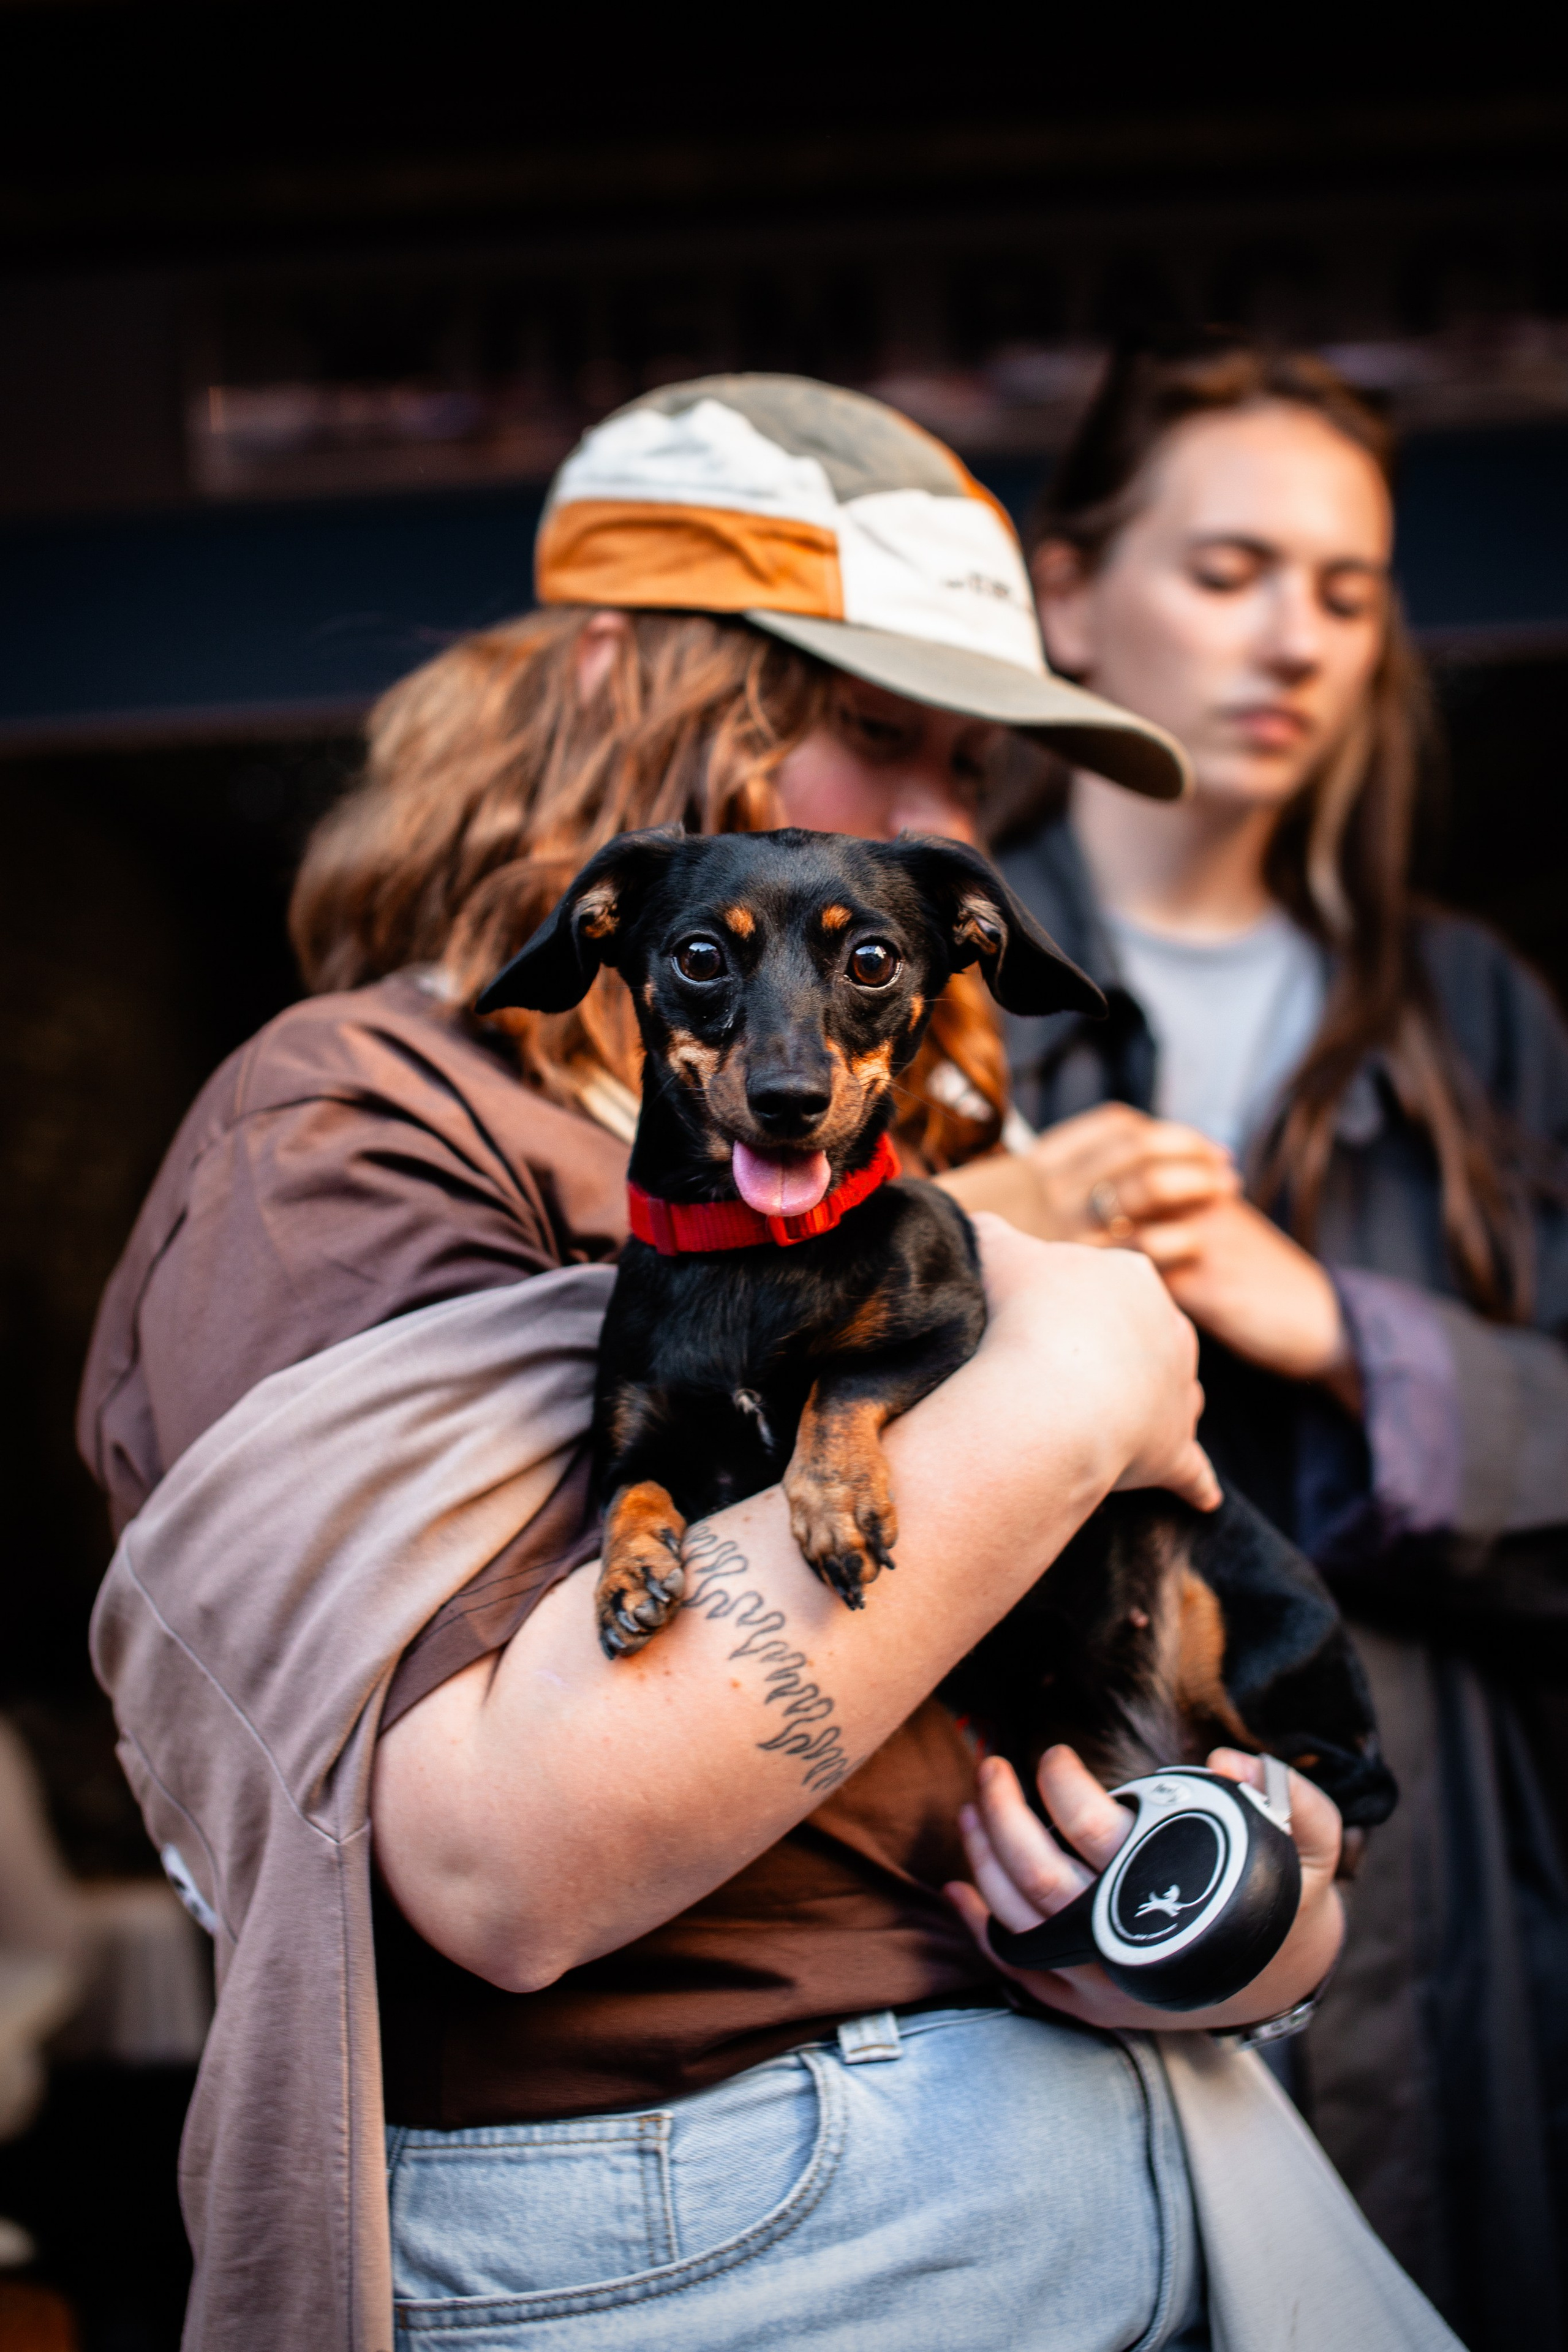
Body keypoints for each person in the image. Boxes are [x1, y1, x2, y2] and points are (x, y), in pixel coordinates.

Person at [80, 377, 1453, 2352]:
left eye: (969, 764)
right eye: (877, 728)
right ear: (621, 680)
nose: (933, 823)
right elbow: (496, 1859)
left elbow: (1038, 1765)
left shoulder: (873, 1200)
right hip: (730, 2237)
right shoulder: (352, 1129)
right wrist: (1067, 1388)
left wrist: (1233, 1911)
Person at [981, 333, 1568, 2352]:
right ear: (1069, 595)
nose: (1294, 640)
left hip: (1436, 1893)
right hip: (1011, 1863)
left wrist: (1335, 1328)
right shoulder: (917, 968)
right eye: (1229, 571)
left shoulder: (1473, 1015)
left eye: (1344, 588)